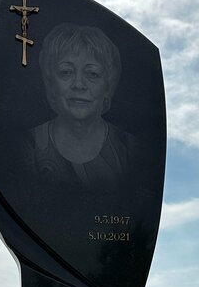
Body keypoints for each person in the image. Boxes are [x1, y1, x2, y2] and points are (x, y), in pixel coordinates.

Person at [26, 23, 134, 190]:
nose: (78, 85)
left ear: (108, 86)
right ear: (50, 82)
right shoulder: (26, 147)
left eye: (92, 74)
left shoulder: (130, 151)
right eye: (66, 72)